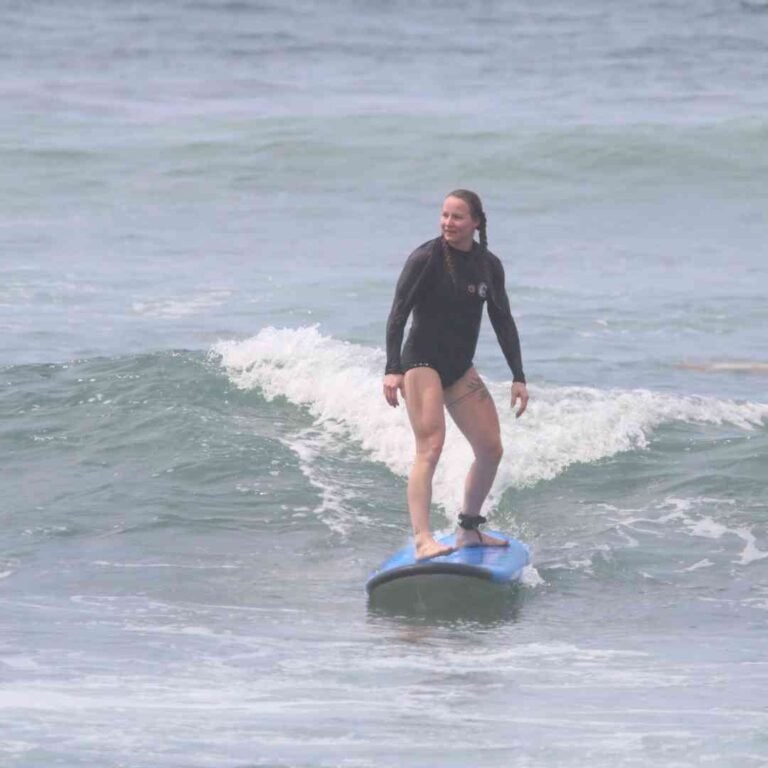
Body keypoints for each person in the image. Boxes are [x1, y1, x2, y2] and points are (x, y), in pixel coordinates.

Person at [383, 189, 529, 561]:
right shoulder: (426, 258)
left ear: (476, 222)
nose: (448, 222)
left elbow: (503, 321)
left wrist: (518, 375)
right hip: (421, 363)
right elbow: (398, 312)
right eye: (445, 215)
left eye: (458, 217)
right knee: (430, 445)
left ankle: (468, 529)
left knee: (491, 448)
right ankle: (423, 539)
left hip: (459, 368)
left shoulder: (488, 266)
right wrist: (392, 368)